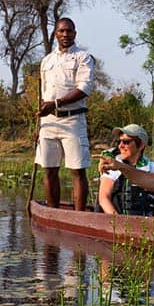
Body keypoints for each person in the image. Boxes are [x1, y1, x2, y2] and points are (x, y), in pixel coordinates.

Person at [36, 17, 95, 211]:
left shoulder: (83, 57)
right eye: (61, 31)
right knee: (49, 169)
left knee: (77, 170)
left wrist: (55, 104)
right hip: (48, 123)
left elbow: (84, 89)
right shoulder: (47, 60)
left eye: (69, 31)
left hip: (73, 120)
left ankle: (79, 217)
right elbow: (44, 93)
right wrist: (42, 118)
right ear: (55, 34)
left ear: (74, 34)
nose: (65, 35)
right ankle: (53, 215)